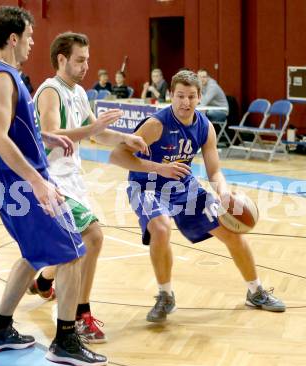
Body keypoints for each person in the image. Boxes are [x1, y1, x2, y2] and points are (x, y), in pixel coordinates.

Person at [0, 6, 108, 366]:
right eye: (30, 36)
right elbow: (0, 137)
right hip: (21, 181)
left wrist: (43, 135)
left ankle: (0, 328)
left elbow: (8, 127)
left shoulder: (2, 74)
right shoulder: (2, 75)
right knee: (72, 250)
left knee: (33, 254)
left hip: (17, 180)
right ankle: (66, 339)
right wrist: (37, 181)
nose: (34, 43)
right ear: (14, 38)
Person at [110, 70, 285, 323]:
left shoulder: (205, 127)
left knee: (232, 232)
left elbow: (214, 171)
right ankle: (165, 296)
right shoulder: (156, 124)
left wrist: (223, 193)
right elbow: (117, 156)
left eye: (191, 96)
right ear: (171, 95)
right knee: (160, 228)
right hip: (146, 185)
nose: (185, 102)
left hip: (183, 187)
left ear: (200, 97)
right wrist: (159, 168)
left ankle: (255, 291)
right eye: (180, 96)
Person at [31, 32, 148, 343]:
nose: (86, 66)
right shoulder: (50, 91)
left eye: (87, 59)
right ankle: (81, 315)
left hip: (73, 178)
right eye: (80, 60)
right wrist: (94, 128)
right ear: (61, 59)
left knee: (69, 244)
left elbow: (97, 134)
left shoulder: (80, 93)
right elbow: (51, 133)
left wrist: (125, 137)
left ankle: (44, 280)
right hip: (49, 178)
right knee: (92, 236)